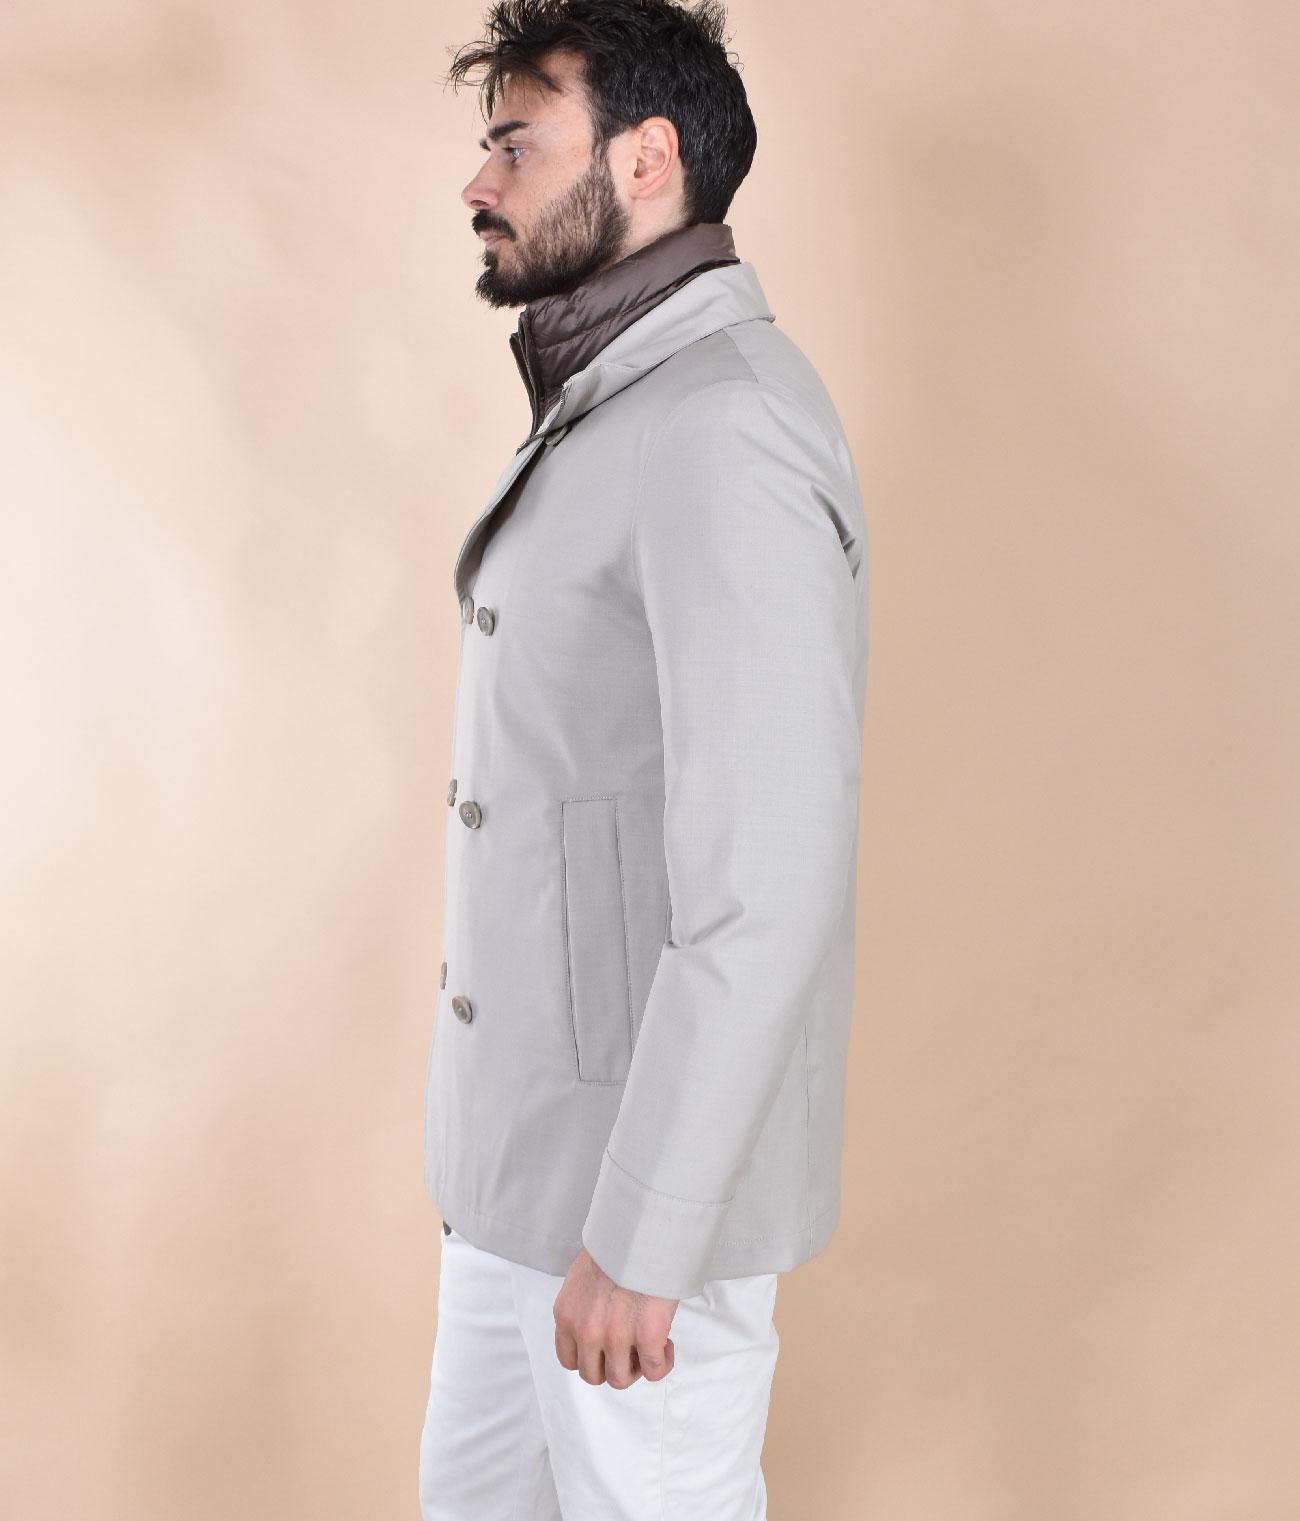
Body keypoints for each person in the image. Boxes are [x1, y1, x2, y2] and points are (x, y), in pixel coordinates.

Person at [418, 3, 869, 1516]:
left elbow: (767, 881)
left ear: (647, 158)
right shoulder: (616, 402)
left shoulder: (722, 423)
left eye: (515, 145)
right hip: (522, 1190)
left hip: (635, 1215)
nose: (479, 183)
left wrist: (648, 1234)